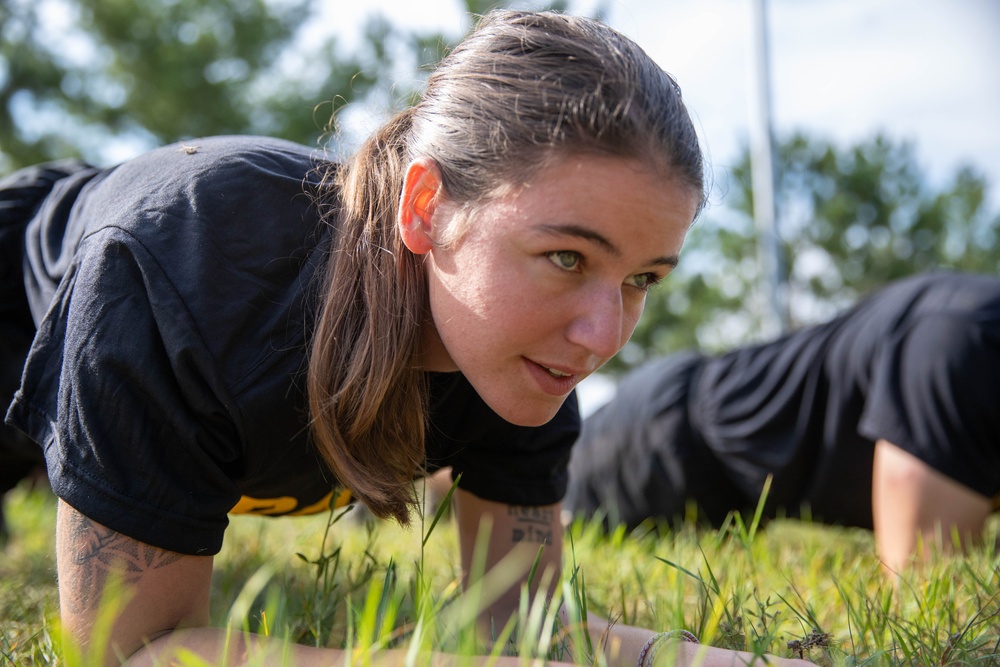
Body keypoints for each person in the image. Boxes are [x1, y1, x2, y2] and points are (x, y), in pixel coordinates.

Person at [1, 10, 816, 667]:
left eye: (643, 278)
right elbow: (127, 649)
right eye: (566, 257)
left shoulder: (526, 353)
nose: (604, 335)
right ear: (426, 208)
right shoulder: (182, 269)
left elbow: (522, 625)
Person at [564, 270, 1000, 574]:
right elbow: (923, 580)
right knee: (536, 519)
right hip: (669, 435)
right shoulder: (963, 348)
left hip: (734, 481)